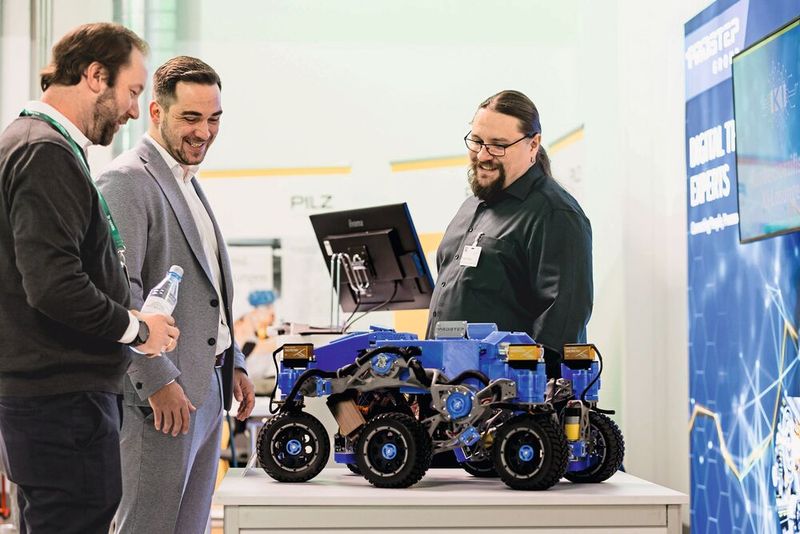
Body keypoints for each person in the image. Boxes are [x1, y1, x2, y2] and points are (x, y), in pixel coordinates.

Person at [0, 23, 179, 534]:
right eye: (132, 92)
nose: (131, 110)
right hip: (63, 405)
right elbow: (53, 284)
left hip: (52, 403)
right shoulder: (45, 152)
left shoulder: (33, 144)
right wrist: (138, 329)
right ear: (95, 75)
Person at [97, 56, 255, 534]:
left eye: (214, 119)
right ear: (156, 113)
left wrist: (237, 364)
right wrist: (156, 378)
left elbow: (206, 292)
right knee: (147, 526)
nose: (204, 132)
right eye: (191, 118)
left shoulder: (187, 183)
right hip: (160, 398)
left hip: (206, 391)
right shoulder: (126, 181)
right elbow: (121, 293)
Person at [426, 90, 593, 379]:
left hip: (501, 401)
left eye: (498, 146)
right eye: (476, 141)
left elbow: (560, 327)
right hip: (446, 392)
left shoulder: (555, 214)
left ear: (533, 144)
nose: (482, 156)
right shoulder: (471, 207)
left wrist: (527, 399)